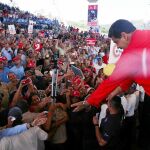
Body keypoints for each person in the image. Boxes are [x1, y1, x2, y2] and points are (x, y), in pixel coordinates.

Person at [71, 19, 150, 111]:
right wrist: (117, 90)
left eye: (116, 42)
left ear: (124, 36)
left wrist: (89, 101)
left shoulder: (131, 53)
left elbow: (112, 81)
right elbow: (132, 74)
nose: (117, 46)